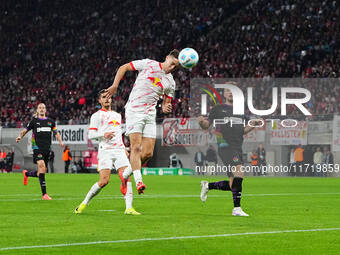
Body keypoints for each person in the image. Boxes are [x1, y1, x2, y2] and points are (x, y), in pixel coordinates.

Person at [104, 49, 179, 194]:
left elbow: (165, 104)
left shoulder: (171, 82)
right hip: (134, 110)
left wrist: (166, 108)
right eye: (172, 64)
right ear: (167, 57)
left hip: (150, 114)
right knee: (136, 147)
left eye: (175, 67)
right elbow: (123, 67)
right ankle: (138, 181)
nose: (172, 68)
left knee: (147, 154)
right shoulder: (148, 64)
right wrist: (114, 86)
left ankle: (125, 175)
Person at [197, 86, 261, 216]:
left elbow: (243, 130)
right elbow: (206, 125)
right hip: (225, 145)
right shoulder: (218, 109)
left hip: (237, 146)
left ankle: (208, 186)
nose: (231, 93)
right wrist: (201, 122)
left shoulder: (240, 111)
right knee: (239, 171)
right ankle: (236, 209)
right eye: (228, 91)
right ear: (224, 94)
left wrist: (253, 125)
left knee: (233, 184)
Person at [74, 90, 140, 215]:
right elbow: (91, 135)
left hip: (119, 150)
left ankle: (129, 208)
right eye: (104, 97)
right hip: (105, 151)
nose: (107, 99)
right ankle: (84, 203)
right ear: (100, 100)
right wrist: (103, 135)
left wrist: (124, 148)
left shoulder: (117, 115)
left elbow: (118, 135)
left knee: (126, 177)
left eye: (109, 97)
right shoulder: (96, 116)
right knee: (104, 181)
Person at [16, 103, 64, 200]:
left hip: (47, 149)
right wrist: (20, 137)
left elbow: (56, 133)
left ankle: (27, 174)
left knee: (41, 172)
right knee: (42, 166)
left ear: (45, 110)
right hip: (37, 148)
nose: (42, 109)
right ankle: (44, 194)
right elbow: (25, 130)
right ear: (37, 110)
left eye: (43, 108)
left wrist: (61, 142)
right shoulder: (34, 121)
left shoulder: (51, 122)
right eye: (40, 108)